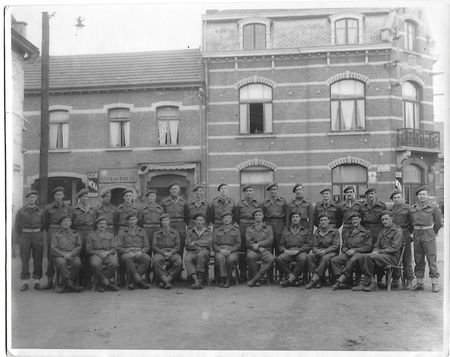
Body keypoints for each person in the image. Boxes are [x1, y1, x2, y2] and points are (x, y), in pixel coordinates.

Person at [353, 210, 402, 292]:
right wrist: (375, 250)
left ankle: (368, 283)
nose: (384, 221)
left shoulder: (397, 231)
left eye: (386, 219)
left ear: (391, 219)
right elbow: (376, 245)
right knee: (362, 256)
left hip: (392, 257)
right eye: (383, 220)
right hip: (381, 256)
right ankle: (371, 282)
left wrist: (378, 252)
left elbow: (394, 248)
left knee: (368, 257)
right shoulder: (383, 231)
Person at [409, 186, 442, 293]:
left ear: (427, 195)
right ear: (417, 196)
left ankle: (434, 283)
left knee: (431, 258)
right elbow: (411, 223)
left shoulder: (433, 207)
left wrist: (433, 232)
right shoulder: (413, 208)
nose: (422, 196)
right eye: (420, 195)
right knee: (418, 259)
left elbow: (438, 223)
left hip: (429, 233)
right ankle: (419, 282)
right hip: (417, 234)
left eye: (423, 194)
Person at [330, 212, 372, 290]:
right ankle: (346, 281)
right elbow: (344, 246)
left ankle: (340, 281)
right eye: (352, 219)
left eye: (356, 219)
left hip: (360, 254)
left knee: (352, 260)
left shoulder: (366, 232)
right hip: (348, 254)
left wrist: (354, 250)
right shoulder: (349, 232)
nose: (354, 221)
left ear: (360, 219)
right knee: (334, 260)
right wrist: (346, 251)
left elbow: (368, 247)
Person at [14, 190, 45, 291]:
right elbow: (17, 226)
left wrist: (36, 232)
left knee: (38, 258)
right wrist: (22, 236)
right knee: (24, 259)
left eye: (34, 197)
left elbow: (43, 225)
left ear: (36, 199)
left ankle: (37, 281)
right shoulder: (21, 211)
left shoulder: (41, 211)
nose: (32, 199)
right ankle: (25, 282)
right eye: (30, 197)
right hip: (25, 236)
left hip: (37, 235)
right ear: (27, 199)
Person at [43, 187, 70, 290]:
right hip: (53, 231)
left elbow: (69, 220)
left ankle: (64, 279)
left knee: (64, 252)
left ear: (63, 196)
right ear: (54, 196)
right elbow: (45, 223)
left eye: (60, 194)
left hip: (65, 232)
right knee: (51, 255)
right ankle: (50, 280)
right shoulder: (48, 208)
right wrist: (51, 232)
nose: (59, 196)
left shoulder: (67, 207)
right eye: (57, 195)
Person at [276, 212, 312, 287]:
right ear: (291, 219)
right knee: (280, 259)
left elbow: (308, 245)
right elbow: (280, 245)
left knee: (303, 258)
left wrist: (299, 250)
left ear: (300, 219)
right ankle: (293, 278)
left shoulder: (305, 230)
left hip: (300, 251)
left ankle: (290, 280)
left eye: (296, 217)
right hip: (289, 251)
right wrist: (285, 251)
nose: (295, 219)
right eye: (293, 217)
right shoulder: (286, 230)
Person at [117, 212, 151, 290]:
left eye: (134, 219)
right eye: (130, 220)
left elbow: (147, 246)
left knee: (147, 258)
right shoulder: (122, 232)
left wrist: (141, 251)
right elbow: (119, 247)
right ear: (127, 221)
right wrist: (128, 251)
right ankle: (139, 281)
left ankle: (133, 281)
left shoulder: (142, 231)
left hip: (139, 252)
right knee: (127, 258)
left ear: (137, 220)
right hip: (127, 253)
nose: (132, 221)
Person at [305, 213, 340, 289]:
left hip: (331, 252)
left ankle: (314, 280)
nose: (323, 222)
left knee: (325, 258)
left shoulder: (334, 231)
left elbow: (335, 246)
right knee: (309, 256)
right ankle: (319, 280)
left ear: (328, 221)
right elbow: (314, 246)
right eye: (321, 220)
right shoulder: (317, 232)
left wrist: (325, 251)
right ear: (319, 222)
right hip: (319, 252)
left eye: (325, 220)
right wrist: (316, 251)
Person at [236, 184, 262, 282]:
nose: (248, 193)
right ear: (244, 193)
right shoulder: (240, 204)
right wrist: (241, 225)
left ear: (253, 192)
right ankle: (243, 272)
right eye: (247, 191)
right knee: (242, 250)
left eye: (250, 191)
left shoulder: (257, 203)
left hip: (254, 227)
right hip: (242, 226)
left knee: (254, 248)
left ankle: (255, 272)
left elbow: (260, 215)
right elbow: (236, 216)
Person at [86, 216, 119, 292]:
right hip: (96, 255)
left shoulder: (110, 235)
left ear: (106, 225)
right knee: (95, 264)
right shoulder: (91, 235)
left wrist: (107, 252)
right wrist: (98, 253)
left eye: (104, 224)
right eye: (100, 223)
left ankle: (100, 282)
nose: (102, 225)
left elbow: (114, 249)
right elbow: (88, 250)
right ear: (97, 225)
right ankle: (106, 283)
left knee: (115, 264)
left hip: (107, 254)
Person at [389, 189, 414, 289]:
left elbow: (412, 223)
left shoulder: (408, 208)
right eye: (395, 198)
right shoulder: (390, 209)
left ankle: (409, 280)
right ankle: (396, 278)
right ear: (392, 199)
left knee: (407, 258)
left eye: (398, 197)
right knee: (396, 256)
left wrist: (409, 234)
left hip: (405, 233)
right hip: (394, 235)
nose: (397, 199)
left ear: (402, 198)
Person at [71, 188, 96, 289]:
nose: (85, 198)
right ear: (79, 198)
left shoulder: (92, 209)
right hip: (78, 233)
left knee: (89, 256)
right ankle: (79, 279)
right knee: (79, 256)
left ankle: (88, 279)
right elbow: (71, 223)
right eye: (83, 197)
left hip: (89, 233)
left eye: (87, 197)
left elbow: (94, 223)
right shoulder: (74, 209)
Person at [51, 215, 83, 293]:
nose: (66, 223)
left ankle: (66, 284)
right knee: (62, 263)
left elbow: (79, 246)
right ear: (61, 224)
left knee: (77, 263)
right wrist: (63, 255)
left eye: (68, 221)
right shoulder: (56, 235)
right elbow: (53, 248)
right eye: (64, 221)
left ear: (71, 223)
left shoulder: (76, 234)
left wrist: (71, 254)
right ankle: (70, 285)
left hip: (73, 255)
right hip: (60, 256)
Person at [152, 213, 182, 289]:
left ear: (169, 221)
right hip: (161, 252)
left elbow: (178, 246)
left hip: (172, 252)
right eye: (163, 220)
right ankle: (167, 281)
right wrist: (164, 253)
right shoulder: (156, 233)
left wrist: (171, 253)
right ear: (161, 222)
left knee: (179, 262)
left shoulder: (175, 232)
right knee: (156, 260)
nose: (165, 222)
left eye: (166, 220)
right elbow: (154, 246)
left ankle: (165, 280)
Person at [245, 208, 274, 287]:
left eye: (259, 215)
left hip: (265, 250)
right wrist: (257, 248)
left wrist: (259, 245)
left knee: (270, 259)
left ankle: (255, 279)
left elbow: (270, 240)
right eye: (256, 215)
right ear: (254, 217)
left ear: (263, 216)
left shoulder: (268, 228)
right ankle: (256, 279)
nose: (258, 217)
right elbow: (248, 241)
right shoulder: (249, 228)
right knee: (250, 256)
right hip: (253, 250)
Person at [160, 182, 189, 258]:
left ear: (179, 190)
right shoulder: (164, 202)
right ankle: (171, 264)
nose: (174, 190)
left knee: (181, 243)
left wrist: (186, 226)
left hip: (180, 224)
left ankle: (179, 263)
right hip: (169, 224)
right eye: (172, 189)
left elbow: (187, 216)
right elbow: (162, 215)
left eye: (176, 189)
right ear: (170, 190)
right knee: (170, 243)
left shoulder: (184, 202)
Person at [212, 212, 241, 288]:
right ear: (222, 220)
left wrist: (230, 250)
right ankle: (222, 279)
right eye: (225, 218)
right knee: (220, 258)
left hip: (232, 251)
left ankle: (228, 279)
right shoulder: (217, 230)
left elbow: (238, 244)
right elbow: (214, 244)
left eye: (228, 218)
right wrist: (220, 250)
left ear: (231, 220)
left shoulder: (236, 230)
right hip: (220, 250)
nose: (226, 219)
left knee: (231, 259)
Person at [185, 213, 213, 289]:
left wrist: (195, 242)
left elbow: (208, 243)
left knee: (201, 255)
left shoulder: (208, 231)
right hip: (192, 251)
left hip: (205, 252)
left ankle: (200, 278)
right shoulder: (190, 232)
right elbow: (187, 245)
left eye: (201, 220)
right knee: (187, 258)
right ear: (194, 221)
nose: (199, 222)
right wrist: (198, 248)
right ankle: (196, 280)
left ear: (204, 221)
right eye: (197, 220)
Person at [262, 182, 287, 255]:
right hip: (268, 224)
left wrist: (285, 227)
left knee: (279, 246)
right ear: (269, 191)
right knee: (269, 246)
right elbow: (262, 216)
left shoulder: (283, 201)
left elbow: (286, 215)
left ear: (277, 190)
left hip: (280, 225)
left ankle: (279, 266)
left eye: (274, 189)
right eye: (271, 190)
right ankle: (269, 265)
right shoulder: (264, 202)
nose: (273, 191)